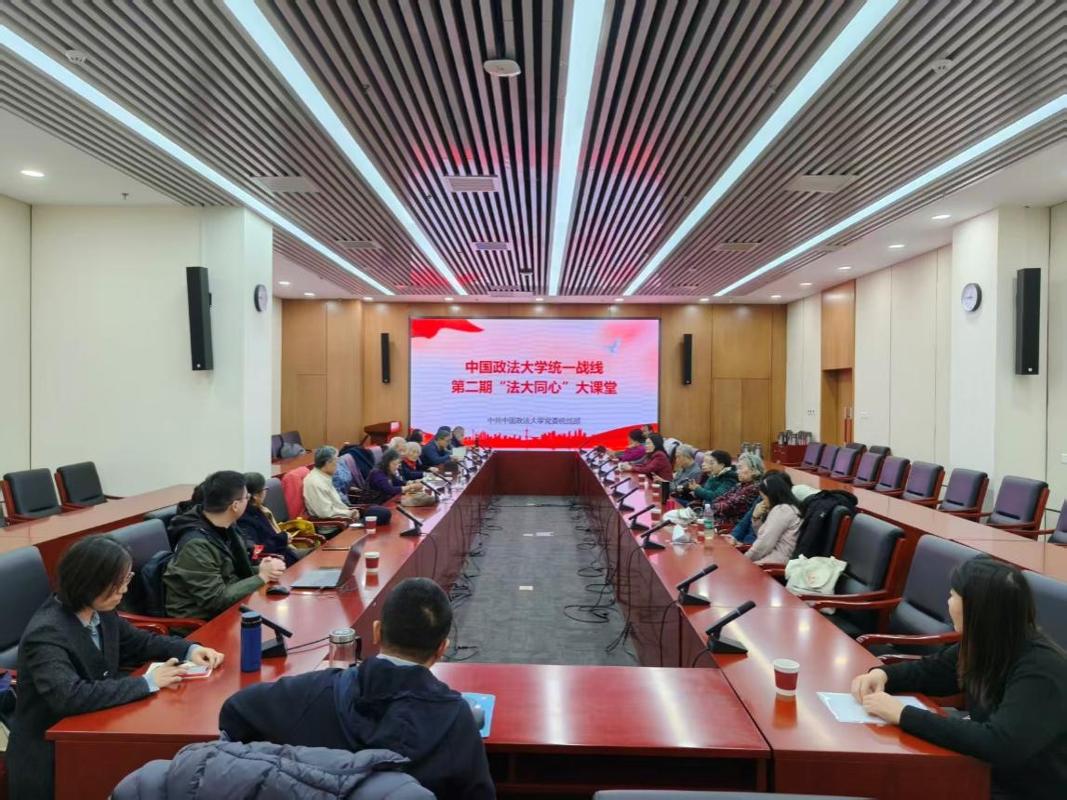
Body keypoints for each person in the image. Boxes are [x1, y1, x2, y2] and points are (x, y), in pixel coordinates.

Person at [219, 578, 495, 799]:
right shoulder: (457, 719)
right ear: (441, 649)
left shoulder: (313, 691)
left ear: (376, 632)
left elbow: (234, 712)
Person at [7, 535, 224, 800]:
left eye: (126, 579)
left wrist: (189, 650)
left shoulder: (100, 610)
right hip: (54, 753)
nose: (124, 590)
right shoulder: (47, 632)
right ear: (87, 582)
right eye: (117, 583)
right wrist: (147, 682)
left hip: (98, 726)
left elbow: (139, 642)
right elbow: (68, 696)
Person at [852, 556, 1067, 800]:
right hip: (986, 772)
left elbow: (999, 743)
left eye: (953, 595)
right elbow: (932, 672)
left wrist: (902, 714)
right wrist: (883, 675)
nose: (948, 601)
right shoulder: (990, 641)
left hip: (1027, 789)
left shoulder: (1041, 668)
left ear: (978, 608)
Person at [164, 471, 286, 622]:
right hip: (202, 622)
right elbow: (215, 601)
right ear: (235, 505)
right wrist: (262, 576)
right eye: (246, 497)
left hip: (232, 608)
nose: (248, 501)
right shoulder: (196, 545)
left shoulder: (226, 525)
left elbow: (233, 572)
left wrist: (264, 569)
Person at [237, 472, 314, 567]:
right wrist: (282, 539)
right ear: (255, 495)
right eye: (265, 490)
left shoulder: (259, 509)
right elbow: (256, 551)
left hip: (283, 552)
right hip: (274, 560)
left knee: (316, 553)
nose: (266, 493)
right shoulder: (244, 520)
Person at [742, 473, 801, 564]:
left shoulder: (782, 510)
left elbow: (764, 544)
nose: (763, 502)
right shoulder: (786, 507)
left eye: (764, 498)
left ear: (772, 496)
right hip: (772, 556)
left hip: (777, 560)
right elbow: (762, 535)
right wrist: (756, 518)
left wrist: (745, 559)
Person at [304, 446, 362, 521]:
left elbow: (336, 505)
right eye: (336, 461)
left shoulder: (323, 476)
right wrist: (349, 513)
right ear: (327, 462)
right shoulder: (315, 482)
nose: (338, 465)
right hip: (333, 524)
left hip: (343, 518)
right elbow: (325, 512)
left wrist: (350, 512)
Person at [711, 452, 763, 533]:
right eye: (738, 468)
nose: (737, 472)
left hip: (735, 529)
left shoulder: (754, 488)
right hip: (722, 523)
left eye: (741, 468)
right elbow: (718, 499)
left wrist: (716, 506)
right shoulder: (740, 485)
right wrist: (716, 505)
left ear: (753, 470)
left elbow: (727, 507)